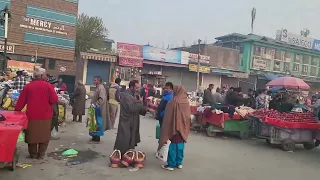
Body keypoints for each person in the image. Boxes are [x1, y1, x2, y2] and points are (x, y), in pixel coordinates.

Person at [15, 68, 58, 159]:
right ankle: (41, 154)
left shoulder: (28, 86)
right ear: (42, 75)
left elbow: (20, 102)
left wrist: (17, 111)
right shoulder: (48, 86)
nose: (47, 76)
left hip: (31, 116)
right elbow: (54, 100)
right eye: (46, 74)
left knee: (32, 136)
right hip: (45, 116)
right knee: (44, 136)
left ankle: (33, 154)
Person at [159, 85, 191, 171]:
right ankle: (179, 163)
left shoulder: (173, 101)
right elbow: (188, 116)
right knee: (180, 146)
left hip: (174, 127)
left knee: (173, 146)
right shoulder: (186, 102)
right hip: (183, 128)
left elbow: (167, 115)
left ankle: (171, 164)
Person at [114, 80, 147, 155]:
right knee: (125, 138)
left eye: (139, 88)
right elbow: (131, 108)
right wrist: (140, 102)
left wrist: (145, 109)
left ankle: (128, 154)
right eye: (136, 87)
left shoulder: (134, 94)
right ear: (131, 87)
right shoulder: (126, 95)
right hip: (126, 120)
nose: (138, 89)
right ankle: (121, 154)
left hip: (132, 120)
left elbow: (137, 107)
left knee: (131, 137)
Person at [90, 76, 111, 143]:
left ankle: (96, 138)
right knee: (94, 123)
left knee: (97, 123)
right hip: (96, 108)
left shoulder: (101, 88)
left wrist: (95, 104)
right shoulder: (99, 87)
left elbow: (101, 99)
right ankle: (94, 136)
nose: (94, 81)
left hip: (98, 109)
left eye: (95, 80)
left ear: (99, 81)